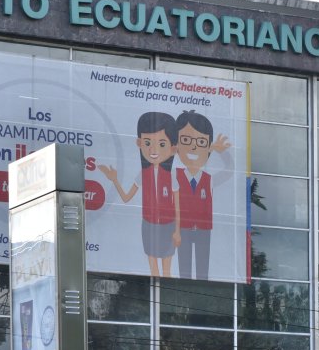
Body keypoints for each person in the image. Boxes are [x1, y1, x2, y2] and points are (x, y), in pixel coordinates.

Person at [98, 112, 179, 277]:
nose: (153, 150)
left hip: (168, 225)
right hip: (148, 225)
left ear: (172, 149)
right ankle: (155, 294)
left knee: (167, 271)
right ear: (139, 143)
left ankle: (166, 294)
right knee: (154, 270)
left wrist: (177, 231)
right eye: (147, 143)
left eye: (161, 144)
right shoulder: (143, 174)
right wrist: (114, 180)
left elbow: (178, 206)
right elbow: (126, 198)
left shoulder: (171, 176)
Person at [171, 110, 231, 280]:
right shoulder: (175, 175)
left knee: (203, 270)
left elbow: (229, 170)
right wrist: (175, 231)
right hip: (183, 229)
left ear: (208, 148)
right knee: (184, 269)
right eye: (186, 140)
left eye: (201, 142)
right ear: (177, 146)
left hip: (204, 230)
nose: (194, 147)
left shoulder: (208, 179)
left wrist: (222, 152)